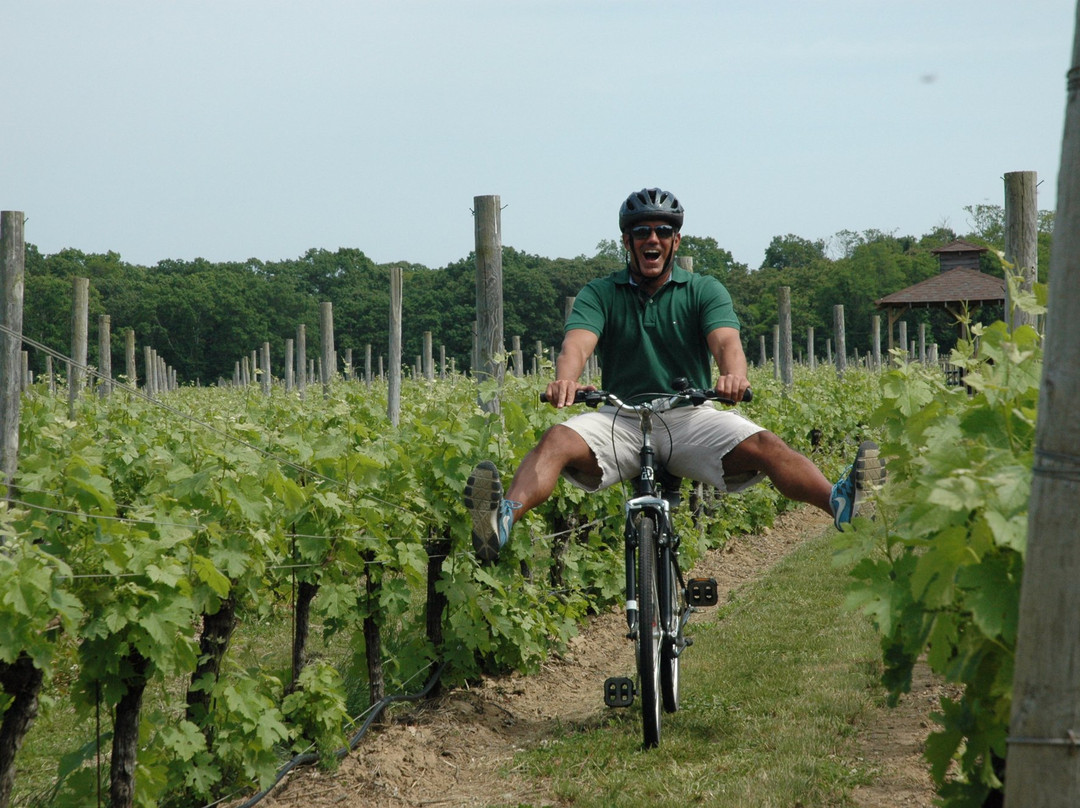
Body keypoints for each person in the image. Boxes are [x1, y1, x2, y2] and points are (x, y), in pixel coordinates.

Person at [465, 187, 883, 563]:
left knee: (767, 445)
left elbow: (726, 344)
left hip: (689, 414)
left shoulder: (703, 289)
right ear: (627, 242)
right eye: (641, 231)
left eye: (663, 231)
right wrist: (566, 380)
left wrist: (733, 377)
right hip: (621, 417)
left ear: (676, 240)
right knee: (555, 439)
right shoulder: (601, 293)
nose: (653, 239)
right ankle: (502, 519)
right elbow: (576, 345)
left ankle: (839, 502)